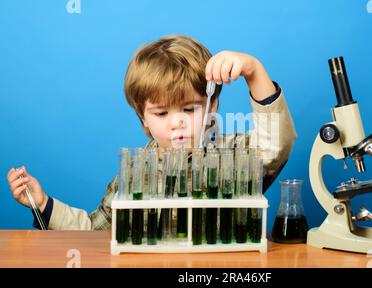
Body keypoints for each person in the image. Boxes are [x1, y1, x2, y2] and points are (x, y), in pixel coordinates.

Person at [6, 35, 297, 230]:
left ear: (212, 107)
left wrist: (254, 71)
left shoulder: (234, 157)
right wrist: (42, 204)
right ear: (143, 118)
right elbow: (95, 231)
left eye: (189, 109)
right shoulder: (132, 177)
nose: (177, 123)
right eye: (161, 113)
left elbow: (275, 147)